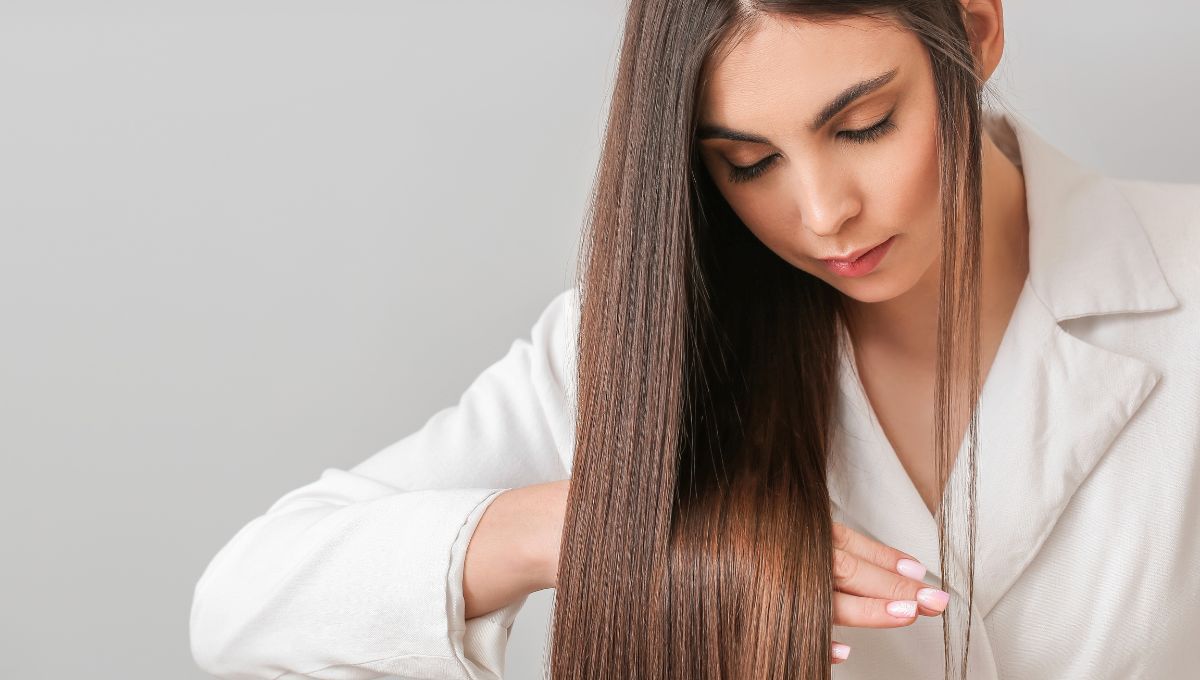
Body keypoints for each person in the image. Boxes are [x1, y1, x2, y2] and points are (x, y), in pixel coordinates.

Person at [190, 1, 1200, 679]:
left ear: (975, 31)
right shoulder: (646, 347)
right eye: (749, 163)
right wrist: (612, 531)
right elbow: (247, 606)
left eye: (864, 126)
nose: (822, 212)